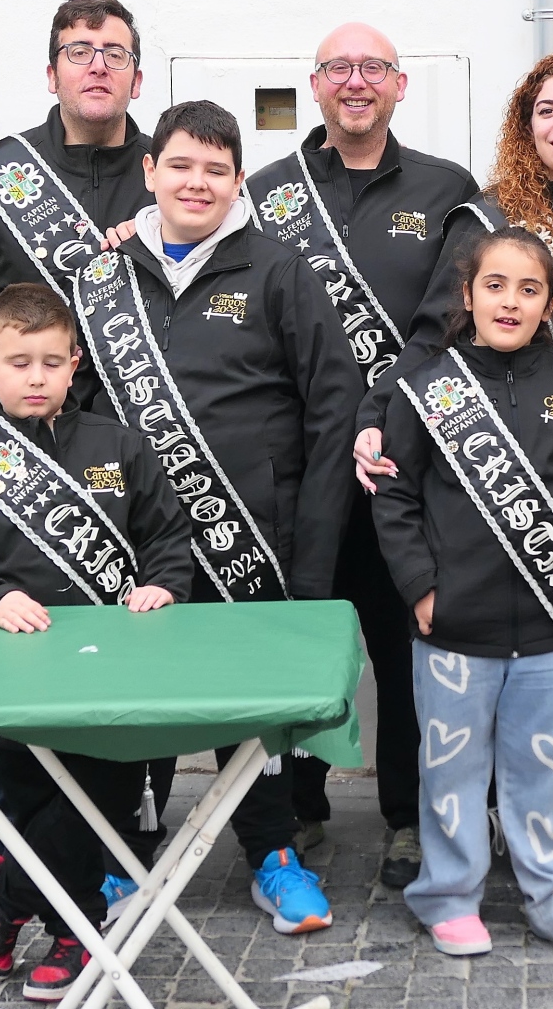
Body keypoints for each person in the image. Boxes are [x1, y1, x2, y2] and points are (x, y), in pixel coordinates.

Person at [79, 99, 362, 934]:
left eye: (216, 169)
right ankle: (123, 859)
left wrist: (313, 554)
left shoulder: (280, 271)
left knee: (252, 712)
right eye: (180, 165)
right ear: (150, 171)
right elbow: (79, 409)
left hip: (256, 541)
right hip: (139, 547)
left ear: (239, 182)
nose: (196, 183)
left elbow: (334, 410)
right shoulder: (103, 278)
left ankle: (275, 857)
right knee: (139, 707)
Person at [0, 0, 156, 923]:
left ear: (137, 75)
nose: (97, 65)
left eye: (114, 52)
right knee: (2, 663)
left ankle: (112, 843)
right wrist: (18, 354)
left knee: (117, 656)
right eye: (78, 51)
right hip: (8, 455)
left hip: (122, 451)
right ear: (51, 72)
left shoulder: (166, 176)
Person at [358, 52, 553, 794]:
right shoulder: (487, 221)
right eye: (546, 110)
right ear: (525, 127)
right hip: (482, 484)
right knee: (473, 683)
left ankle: (543, 823)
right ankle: (473, 823)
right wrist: (374, 416)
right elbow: (429, 340)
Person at [244, 23, 481, 887]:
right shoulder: (266, 192)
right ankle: (299, 809)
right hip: (300, 469)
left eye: (373, 68)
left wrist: (383, 412)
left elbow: (446, 323)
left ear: (399, 85)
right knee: (307, 638)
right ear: (315, 85)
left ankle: (408, 819)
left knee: (404, 645)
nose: (356, 82)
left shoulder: (447, 189)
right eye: (339, 68)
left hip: (400, 466)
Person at [0, 282, 194, 1000]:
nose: (35, 377)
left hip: (119, 667)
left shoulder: (121, 446)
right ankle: (77, 931)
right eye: (19, 362)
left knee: (108, 796)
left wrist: (163, 584)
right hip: (20, 673)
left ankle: (3, 894)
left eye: (50, 362)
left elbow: (166, 535)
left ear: (74, 366)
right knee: (39, 800)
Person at [372, 227, 553, 962]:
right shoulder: (429, 387)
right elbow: (395, 496)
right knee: (449, 774)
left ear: (549, 304)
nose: (510, 301)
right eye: (495, 286)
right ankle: (448, 897)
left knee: (545, 774)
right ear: (467, 295)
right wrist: (421, 588)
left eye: (529, 289)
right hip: (453, 627)